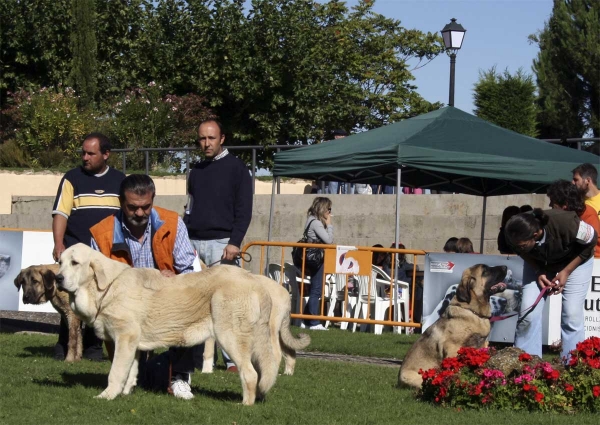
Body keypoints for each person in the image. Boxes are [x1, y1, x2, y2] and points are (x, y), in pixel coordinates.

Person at [90, 174, 198, 399]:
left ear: (153, 200)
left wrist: (176, 279)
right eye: (132, 208)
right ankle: (133, 373)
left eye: (146, 207)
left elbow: (190, 270)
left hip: (167, 300)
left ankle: (179, 377)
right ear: (121, 202)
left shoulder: (173, 223)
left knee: (193, 308)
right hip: (123, 308)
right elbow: (96, 285)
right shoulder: (101, 234)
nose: (139, 213)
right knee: (142, 379)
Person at [185, 118, 252, 372]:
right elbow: (189, 207)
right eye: (202, 138)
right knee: (194, 303)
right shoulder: (195, 170)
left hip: (222, 244)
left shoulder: (237, 169)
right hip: (193, 243)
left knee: (225, 304)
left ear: (222, 138)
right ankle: (195, 357)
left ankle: (233, 359)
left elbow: (244, 210)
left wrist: (234, 242)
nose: (206, 143)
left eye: (211, 138)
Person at [51, 132, 125, 361]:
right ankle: (64, 345)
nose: (85, 157)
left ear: (106, 154)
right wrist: (58, 243)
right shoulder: (72, 178)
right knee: (71, 300)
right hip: (75, 252)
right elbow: (61, 213)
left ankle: (94, 348)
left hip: (105, 255)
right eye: (83, 152)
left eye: (91, 153)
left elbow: (126, 216)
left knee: (100, 299)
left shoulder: (120, 180)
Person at [504, 208, 596, 361]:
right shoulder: (514, 233)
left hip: (577, 261)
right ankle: (527, 366)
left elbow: (591, 241)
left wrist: (566, 271)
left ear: (535, 235)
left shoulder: (566, 222)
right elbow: (521, 251)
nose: (517, 247)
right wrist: (538, 270)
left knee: (571, 315)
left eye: (521, 245)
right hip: (541, 264)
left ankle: (572, 366)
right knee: (528, 313)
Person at [301, 197, 333, 330]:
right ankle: (313, 322)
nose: (330, 212)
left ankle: (306, 319)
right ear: (323, 209)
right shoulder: (316, 223)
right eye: (328, 209)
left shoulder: (310, 220)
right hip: (317, 259)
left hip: (311, 258)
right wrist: (329, 224)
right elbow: (329, 240)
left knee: (315, 288)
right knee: (316, 290)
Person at [547, 179, 600, 258]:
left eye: (552, 201)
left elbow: (592, 246)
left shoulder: (588, 214)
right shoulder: (558, 217)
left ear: (565, 205)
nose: (550, 204)